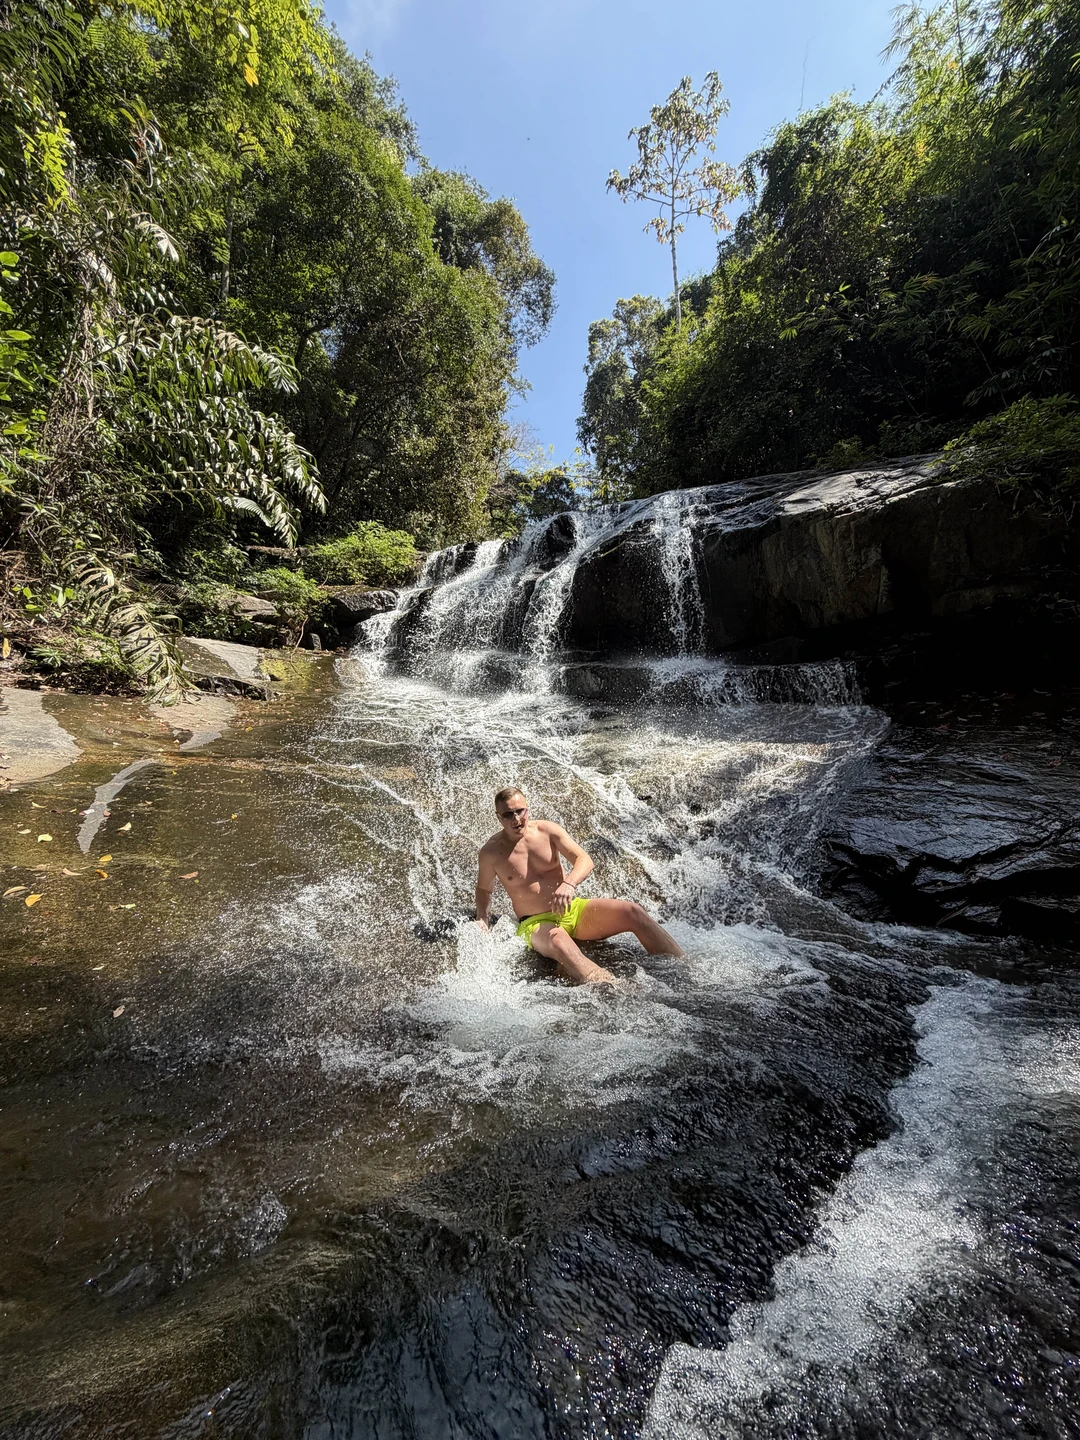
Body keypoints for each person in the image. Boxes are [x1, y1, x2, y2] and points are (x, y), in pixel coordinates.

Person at [474, 784, 685, 984]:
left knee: (633, 911)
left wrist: (569, 883)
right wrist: (482, 919)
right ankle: (609, 984)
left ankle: (684, 966)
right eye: (508, 814)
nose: (516, 819)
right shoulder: (491, 852)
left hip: (572, 910)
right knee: (558, 942)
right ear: (498, 818)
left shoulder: (548, 831)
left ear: (527, 808)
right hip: (535, 923)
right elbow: (484, 889)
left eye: (520, 811)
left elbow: (584, 859)